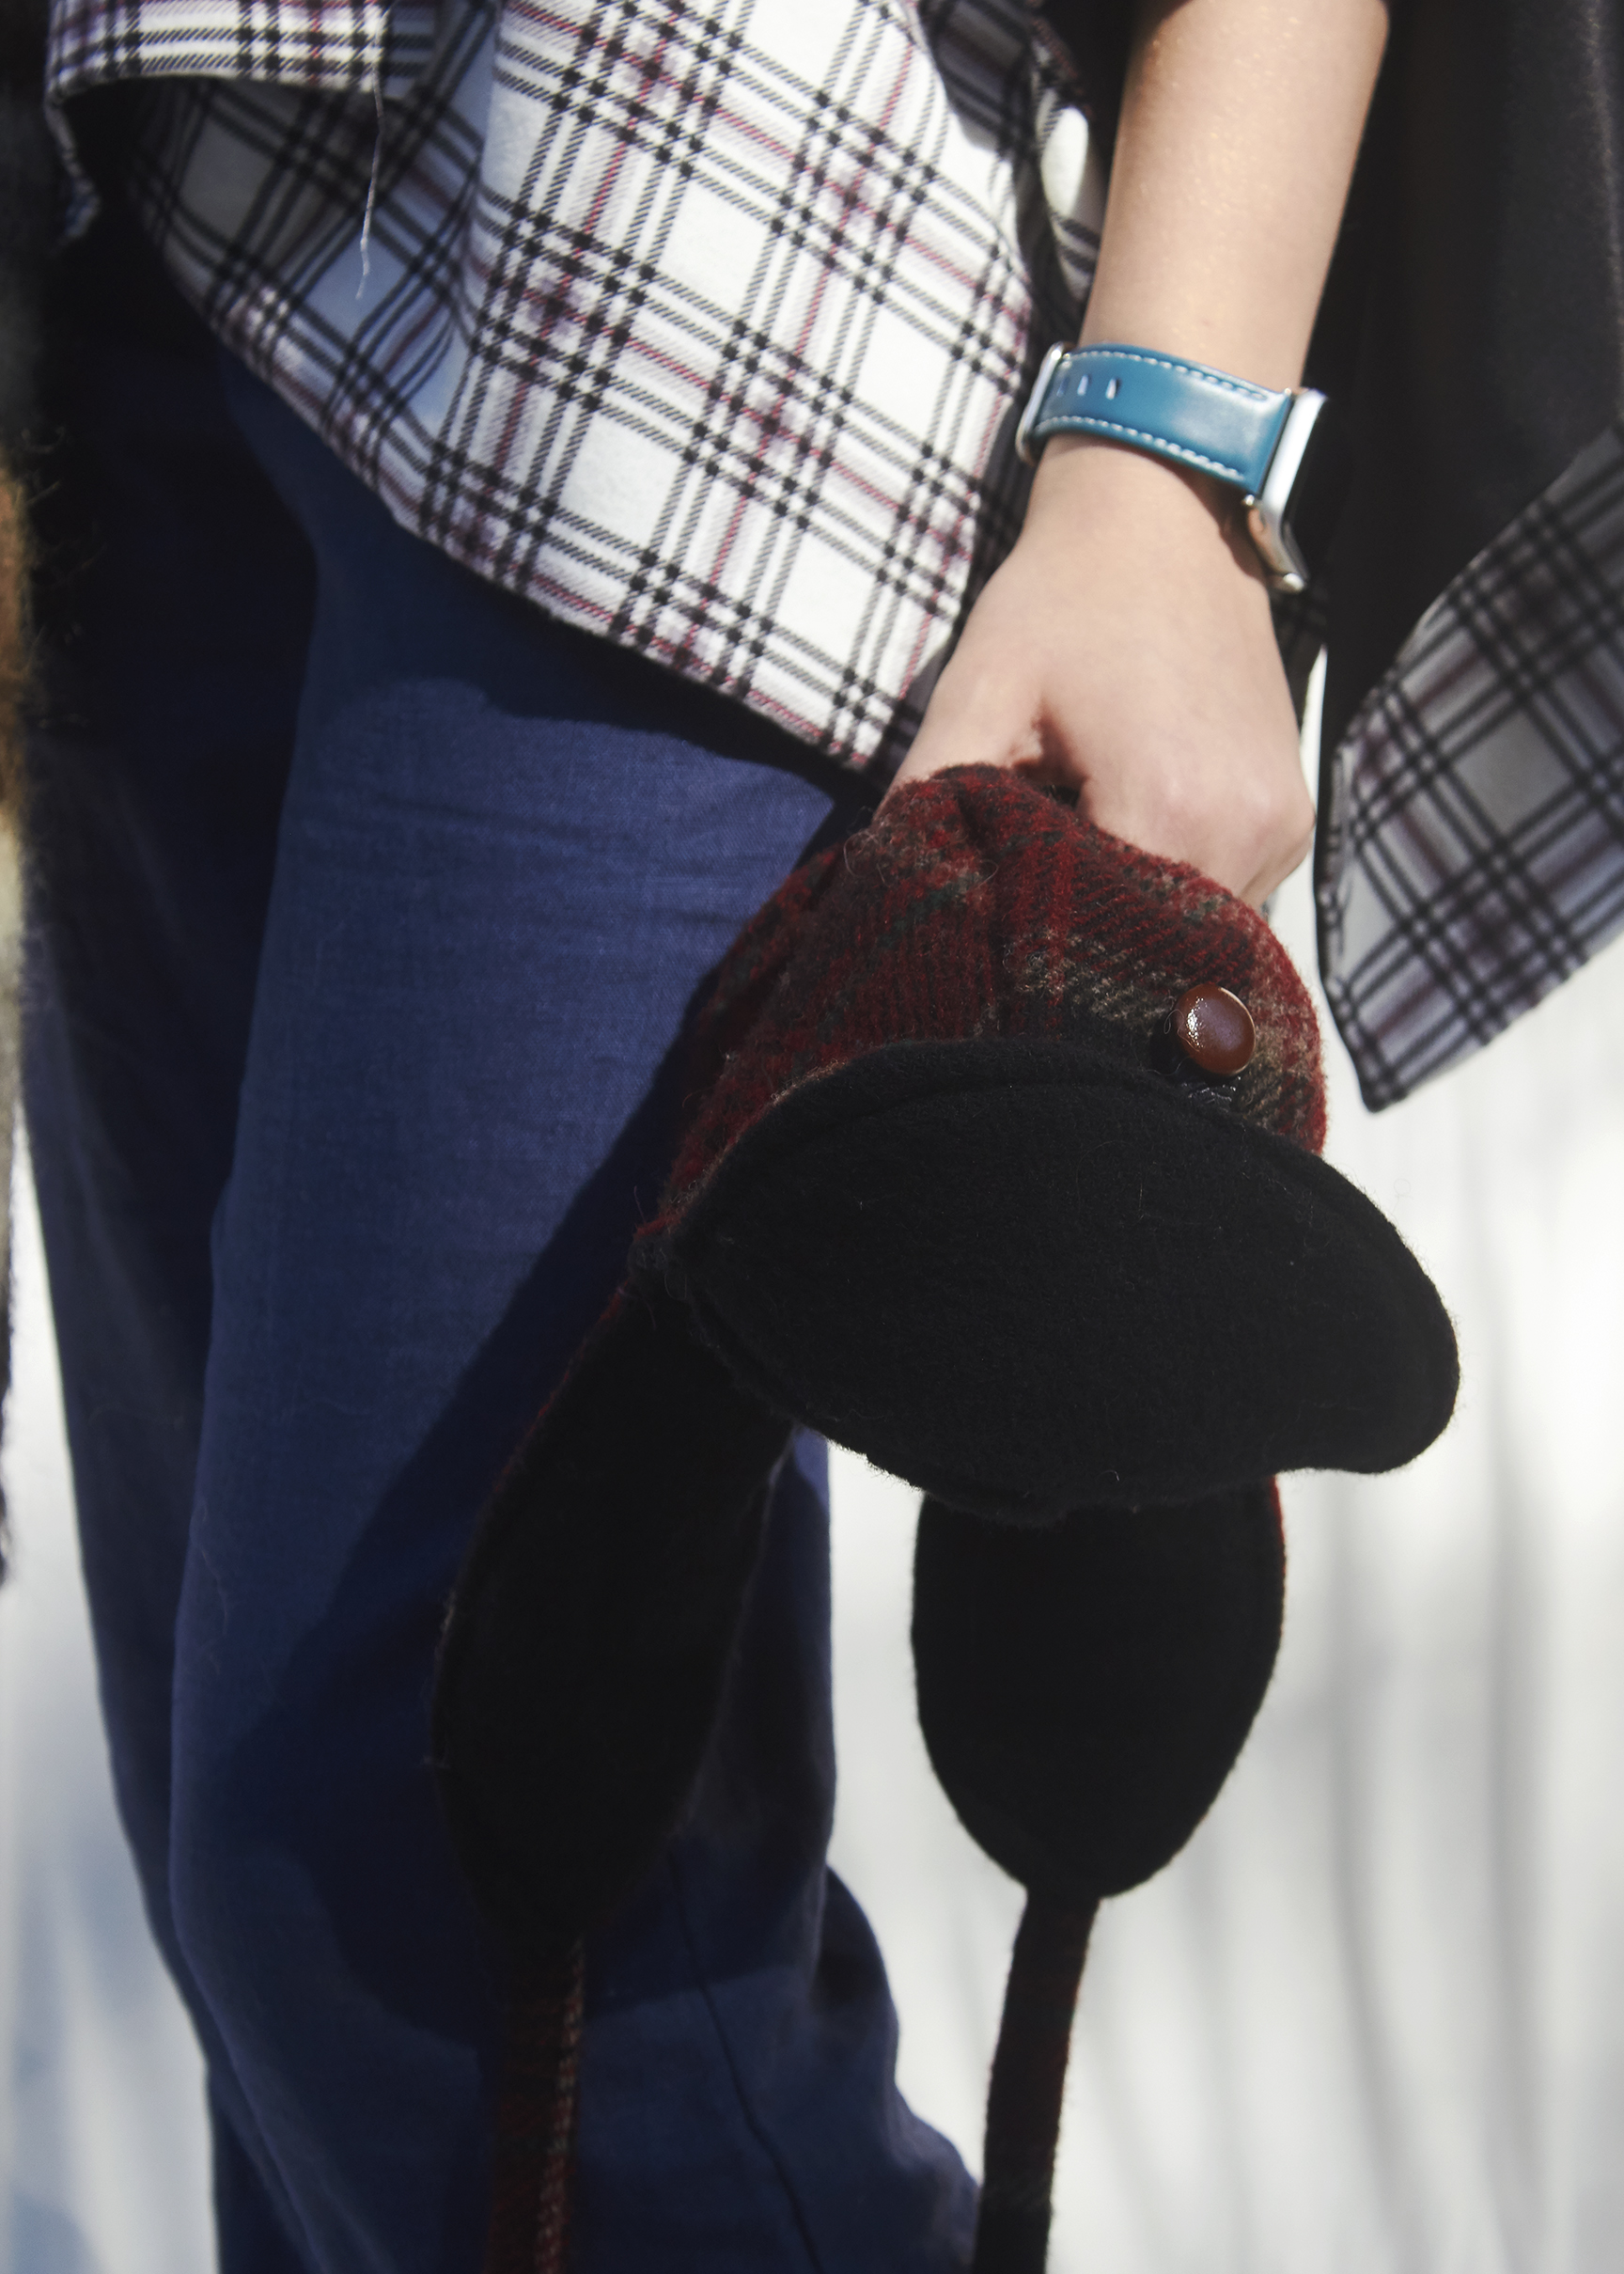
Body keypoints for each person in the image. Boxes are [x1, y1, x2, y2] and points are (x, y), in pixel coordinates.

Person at [14, 0, 1624, 2266]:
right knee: (274, 1950)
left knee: (456, 1916)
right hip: (160, 182)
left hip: (686, 220)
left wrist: (1170, 444)